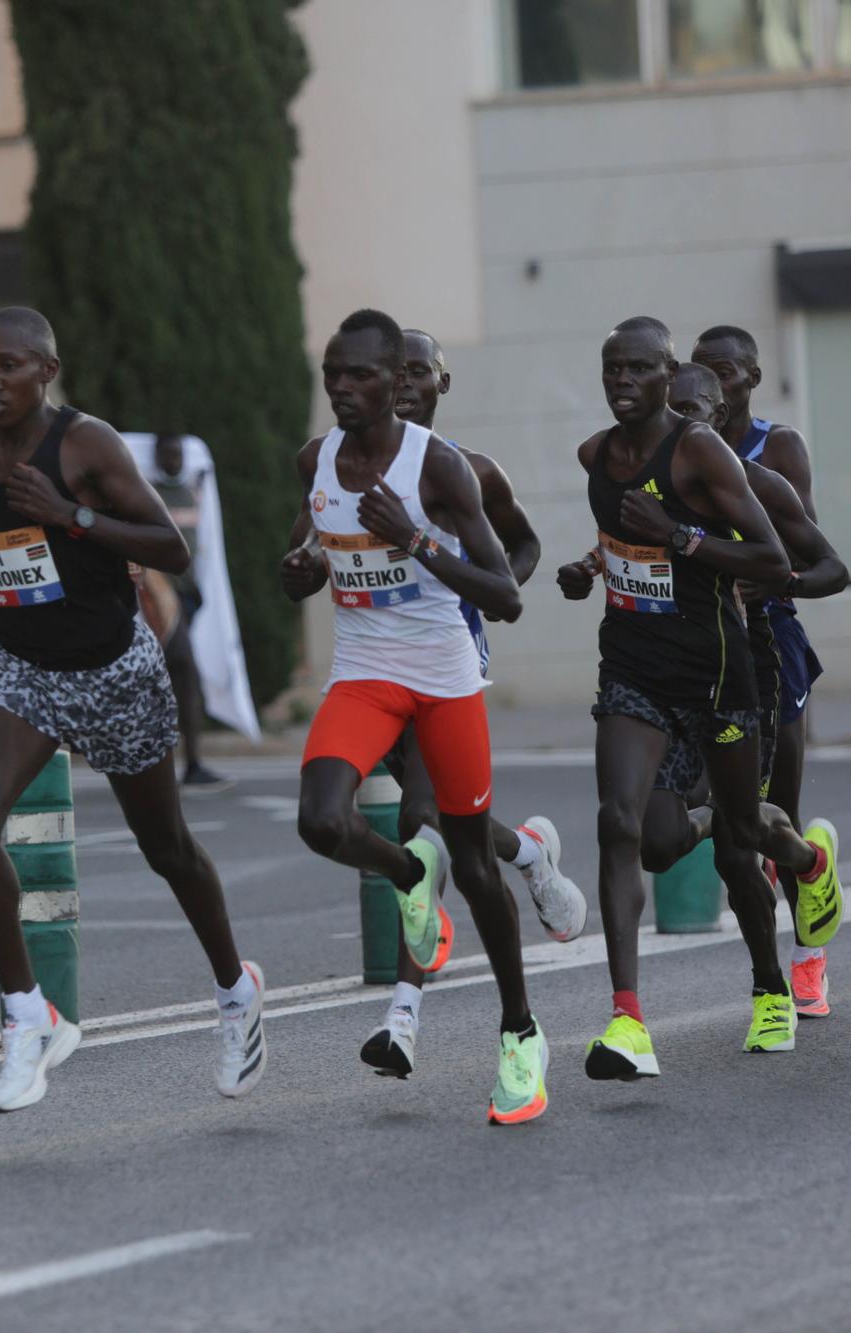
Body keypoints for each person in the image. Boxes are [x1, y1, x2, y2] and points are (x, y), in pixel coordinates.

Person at [0, 307, 265, 1112]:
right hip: (24, 666)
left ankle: (236, 989)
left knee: (169, 849)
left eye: (7, 366)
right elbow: (10, 538)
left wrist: (71, 512)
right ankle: (28, 1015)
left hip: (114, 669)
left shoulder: (87, 446)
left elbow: (170, 549)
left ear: (46, 371)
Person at [281, 308, 550, 1124]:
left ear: (396, 381)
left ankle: (520, 1031)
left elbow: (505, 595)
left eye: (360, 375)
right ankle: (407, 875)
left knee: (475, 865)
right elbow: (299, 569)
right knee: (322, 823)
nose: (343, 389)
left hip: (443, 678)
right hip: (364, 676)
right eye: (332, 375)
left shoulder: (439, 470)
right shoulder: (316, 460)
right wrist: (300, 567)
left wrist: (416, 540)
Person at [559, 317, 841, 1080]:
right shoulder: (596, 456)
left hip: (718, 673)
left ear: (671, 376)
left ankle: (773, 970)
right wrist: (593, 565)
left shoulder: (710, 456)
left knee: (740, 844)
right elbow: (627, 540)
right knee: (628, 830)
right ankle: (627, 1020)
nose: (622, 382)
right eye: (611, 368)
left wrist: (683, 539)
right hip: (632, 669)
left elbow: (781, 557)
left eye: (638, 370)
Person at [358, 327, 586, 1079]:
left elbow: (521, 553)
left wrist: (467, 581)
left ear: (440, 386)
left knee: (417, 819)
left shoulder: (467, 471)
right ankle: (527, 851)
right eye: (394, 373)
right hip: (370, 660)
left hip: (446, 658)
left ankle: (403, 1016)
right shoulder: (352, 465)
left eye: (419, 373)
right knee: (452, 821)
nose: (405, 385)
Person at [652, 363, 850, 1018]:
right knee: (661, 837)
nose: (681, 425)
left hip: (748, 668)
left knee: (744, 841)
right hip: (672, 668)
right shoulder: (646, 481)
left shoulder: (757, 482)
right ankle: (764, 838)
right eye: (670, 410)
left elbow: (829, 567)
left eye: (693, 412)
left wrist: (773, 583)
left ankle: (779, 978)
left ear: (720, 414)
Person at [690, 327, 831, 1000]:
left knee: (776, 813)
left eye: (726, 372)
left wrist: (768, 581)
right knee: (727, 822)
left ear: (750, 377)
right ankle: (768, 969)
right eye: (702, 372)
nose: (714, 385)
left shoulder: (776, 450)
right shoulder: (674, 448)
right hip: (699, 649)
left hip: (768, 642)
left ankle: (806, 960)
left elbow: (802, 548)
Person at [148, 433, 231, 791]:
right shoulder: (147, 492)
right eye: (167, 454)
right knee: (182, 670)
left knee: (174, 678)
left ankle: (185, 764)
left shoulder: (193, 491)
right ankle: (176, 764)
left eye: (178, 454)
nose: (173, 461)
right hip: (155, 597)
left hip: (186, 597)